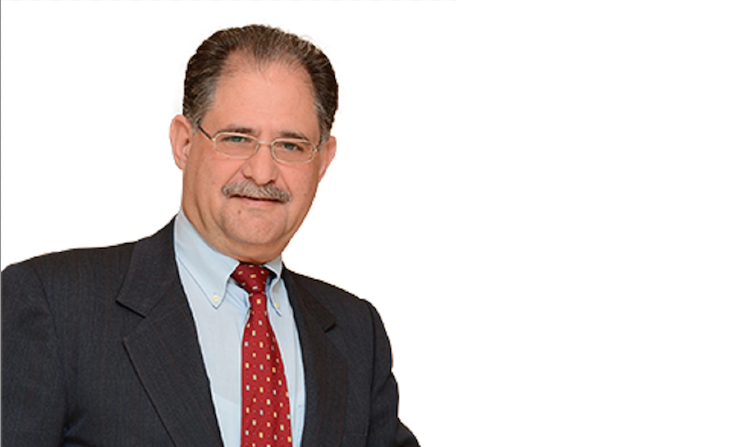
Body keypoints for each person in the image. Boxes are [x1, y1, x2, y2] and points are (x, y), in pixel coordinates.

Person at [2, 24, 419, 447]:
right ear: (184, 143)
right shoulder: (53, 304)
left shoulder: (356, 333)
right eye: (236, 138)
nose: (262, 172)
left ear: (323, 160)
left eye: (291, 146)